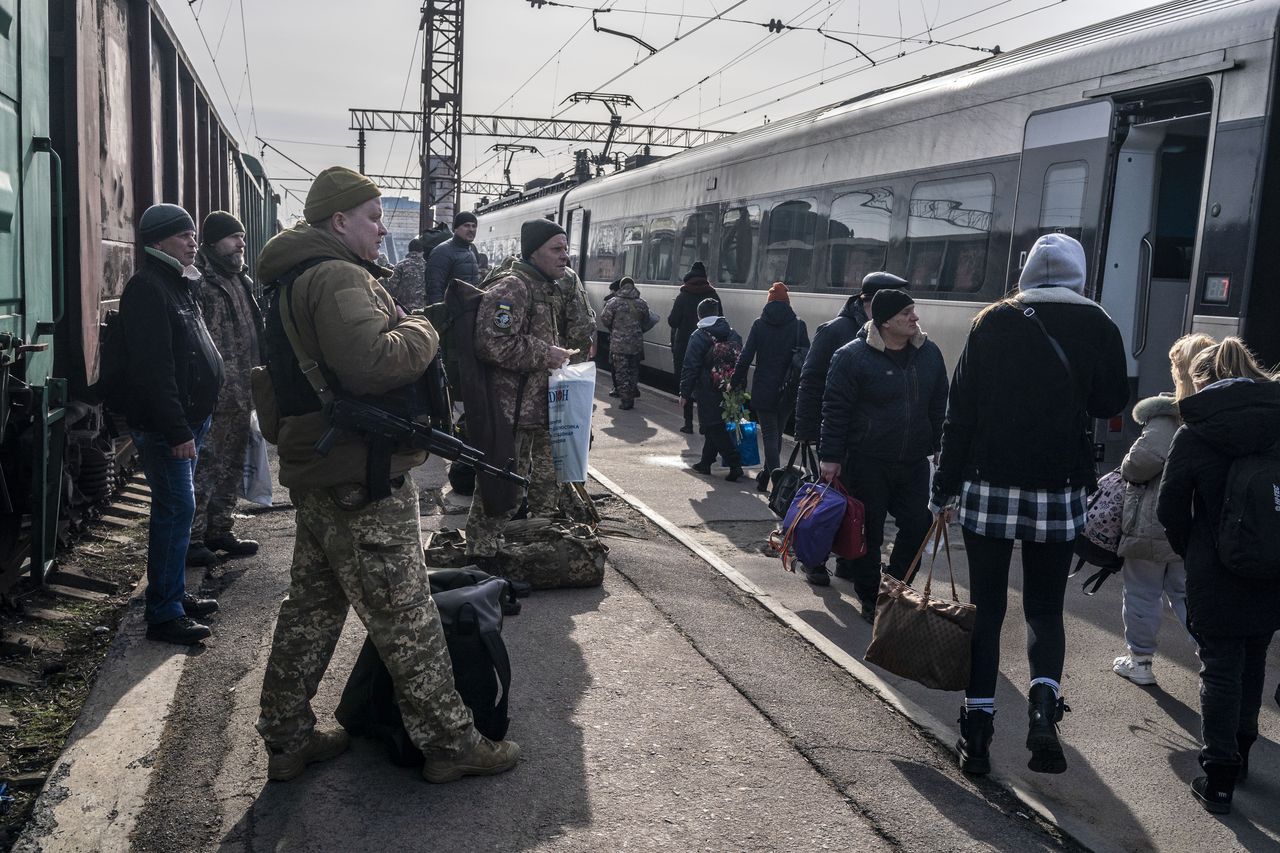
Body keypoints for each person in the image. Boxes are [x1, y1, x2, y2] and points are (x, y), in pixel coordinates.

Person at [255, 166, 518, 784]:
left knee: (312, 609)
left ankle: (288, 738)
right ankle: (451, 745)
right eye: (373, 218)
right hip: (361, 476)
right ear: (339, 220)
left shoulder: (293, 276)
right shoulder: (338, 275)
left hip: (324, 469)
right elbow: (375, 362)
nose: (381, 230)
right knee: (407, 614)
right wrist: (426, 327)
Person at [931, 233, 1128, 777]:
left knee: (987, 611)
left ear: (1026, 273)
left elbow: (959, 414)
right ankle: (1044, 706)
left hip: (988, 487)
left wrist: (943, 486)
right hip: (1059, 489)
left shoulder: (990, 321)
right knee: (1044, 609)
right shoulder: (1099, 323)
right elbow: (1111, 403)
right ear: (1078, 274)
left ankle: (977, 732)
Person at [1157, 338, 1280, 815]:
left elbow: (1170, 507)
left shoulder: (1196, 431)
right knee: (1253, 659)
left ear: (1204, 379)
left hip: (1215, 567)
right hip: (1272, 566)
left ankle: (1220, 775)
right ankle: (1243, 753)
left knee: (1220, 666)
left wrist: (1195, 549)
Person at [119, 203, 224, 645]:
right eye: (184, 236)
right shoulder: (148, 288)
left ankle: (174, 594)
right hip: (169, 428)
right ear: (159, 241)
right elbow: (153, 370)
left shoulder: (178, 283)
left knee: (180, 510)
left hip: (188, 420)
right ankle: (163, 613)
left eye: (193, 235)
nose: (193, 242)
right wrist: (177, 429)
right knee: (175, 510)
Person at [815, 290, 946, 605]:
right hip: (867, 460)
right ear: (885, 322)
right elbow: (835, 409)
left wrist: (941, 445)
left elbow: (939, 404)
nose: (915, 318)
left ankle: (894, 587)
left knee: (919, 524)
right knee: (868, 532)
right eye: (906, 314)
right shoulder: (851, 357)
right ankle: (871, 597)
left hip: (914, 461)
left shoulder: (929, 354)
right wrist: (830, 457)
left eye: (914, 311)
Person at [464, 219, 574, 568]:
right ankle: (481, 561)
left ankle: (491, 556)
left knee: (512, 487)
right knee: (498, 490)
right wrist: (547, 354)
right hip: (507, 410)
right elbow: (491, 343)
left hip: (526, 409)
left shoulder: (540, 285)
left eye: (566, 248)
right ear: (534, 251)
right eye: (557, 249)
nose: (565, 256)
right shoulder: (513, 288)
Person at [1111, 334, 1215, 685]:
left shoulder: (1167, 416)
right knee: (1187, 595)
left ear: (1179, 371)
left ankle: (1140, 661)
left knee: (1142, 591)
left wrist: (1125, 463)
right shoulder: (1216, 414)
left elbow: (1140, 463)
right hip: (1194, 524)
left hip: (1152, 523)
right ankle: (1210, 659)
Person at [188, 211, 264, 569]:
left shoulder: (238, 278)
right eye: (234, 237)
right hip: (216, 394)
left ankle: (219, 529)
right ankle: (193, 538)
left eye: (242, 236)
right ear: (213, 241)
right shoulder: (200, 281)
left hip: (242, 389)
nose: (241, 243)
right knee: (206, 467)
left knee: (233, 465)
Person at [793, 272, 906, 446]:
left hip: (881, 440)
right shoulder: (834, 331)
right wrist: (807, 433)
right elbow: (811, 381)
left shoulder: (895, 335)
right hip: (845, 436)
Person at [733, 282, 809, 491]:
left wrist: (735, 382)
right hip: (788, 388)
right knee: (776, 433)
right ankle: (766, 477)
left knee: (769, 434)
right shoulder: (798, 325)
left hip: (764, 387)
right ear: (788, 302)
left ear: (768, 303)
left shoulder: (759, 324)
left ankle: (777, 484)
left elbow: (746, 357)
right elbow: (807, 357)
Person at [680, 298, 744, 482]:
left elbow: (690, 366)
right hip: (730, 387)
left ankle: (734, 463)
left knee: (714, 426)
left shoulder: (699, 335)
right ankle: (705, 463)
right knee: (713, 425)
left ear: (699, 315)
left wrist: (685, 393)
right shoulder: (732, 333)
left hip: (708, 388)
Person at [669, 261, 718, 433]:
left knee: (687, 382)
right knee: (705, 385)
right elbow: (720, 318)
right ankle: (704, 425)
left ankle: (688, 423)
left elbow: (672, 321)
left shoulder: (683, 296)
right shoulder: (713, 296)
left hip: (684, 346)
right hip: (708, 347)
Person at [599, 277, 650, 410]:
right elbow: (647, 320)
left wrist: (615, 328)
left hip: (619, 344)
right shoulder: (642, 303)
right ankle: (631, 395)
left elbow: (605, 319)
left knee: (621, 372)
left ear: (621, 287)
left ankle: (625, 400)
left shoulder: (613, 302)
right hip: (636, 344)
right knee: (633, 371)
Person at [425, 211, 480, 305]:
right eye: (466, 225)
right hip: (450, 313)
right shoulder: (442, 252)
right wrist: (440, 314)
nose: (471, 229)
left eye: (474, 226)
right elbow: (435, 288)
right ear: (455, 229)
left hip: (468, 312)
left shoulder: (472, 250)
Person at [383, 237, 428, 311]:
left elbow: (391, 289)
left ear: (409, 250)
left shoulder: (400, 265)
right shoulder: (427, 266)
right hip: (423, 310)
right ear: (422, 251)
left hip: (404, 310)